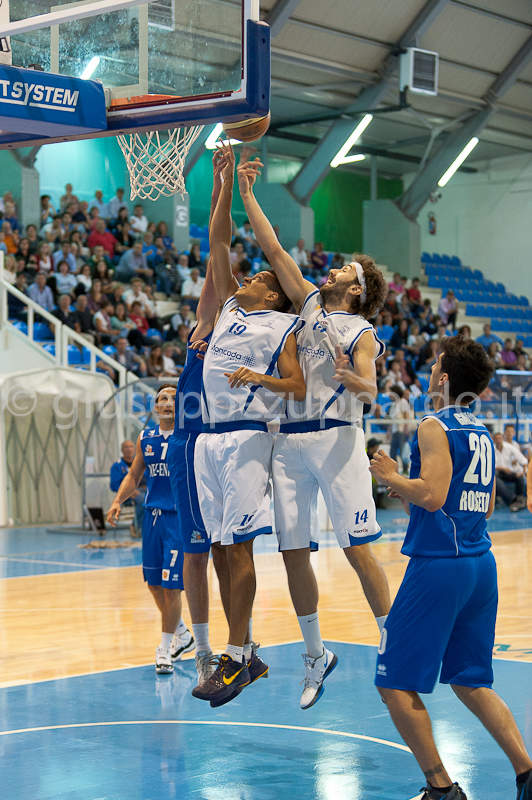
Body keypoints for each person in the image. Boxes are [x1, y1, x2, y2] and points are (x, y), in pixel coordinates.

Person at [237, 151, 391, 709]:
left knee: (357, 549)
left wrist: (358, 380)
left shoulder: (363, 328)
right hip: (290, 442)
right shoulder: (305, 305)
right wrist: (247, 194)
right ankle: (314, 654)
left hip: (338, 440)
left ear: (357, 288)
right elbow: (273, 249)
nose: (333, 269)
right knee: (293, 551)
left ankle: (389, 636)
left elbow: (372, 388)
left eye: (345, 270)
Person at [369, 335, 532, 800]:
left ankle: (441, 789)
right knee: (470, 681)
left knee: (393, 683)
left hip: (441, 567)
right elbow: (472, 499)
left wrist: (391, 476)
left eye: (434, 366)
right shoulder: (480, 430)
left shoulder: (433, 424)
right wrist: (410, 491)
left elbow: (436, 495)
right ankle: (527, 772)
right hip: (481, 565)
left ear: (442, 378)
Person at [192, 144, 305, 708]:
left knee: (238, 549)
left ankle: (238, 654)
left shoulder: (281, 326)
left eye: (262, 274)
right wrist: (221, 184)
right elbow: (217, 242)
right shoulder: (233, 305)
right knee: (218, 547)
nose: (254, 274)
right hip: (208, 437)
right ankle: (244, 652)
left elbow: (299, 388)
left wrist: (256, 381)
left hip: (246, 435)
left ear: (276, 295)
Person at [107, 386, 194, 674]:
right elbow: (134, 475)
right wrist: (118, 500)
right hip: (152, 520)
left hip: (178, 521)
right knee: (154, 584)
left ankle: (164, 649)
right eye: (161, 399)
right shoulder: (146, 438)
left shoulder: (189, 435)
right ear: (155, 408)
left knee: (172, 587)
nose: (166, 403)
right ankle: (182, 635)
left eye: (172, 398)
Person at [109, 440, 146, 533]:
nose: (129, 449)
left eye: (131, 447)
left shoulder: (141, 463)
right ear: (122, 450)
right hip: (129, 494)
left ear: (135, 449)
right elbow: (114, 485)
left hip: (145, 490)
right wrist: (129, 492)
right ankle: (137, 526)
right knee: (143, 499)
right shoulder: (117, 466)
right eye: (126, 447)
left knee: (155, 497)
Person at [494, 431, 527, 511]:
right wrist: (503, 469)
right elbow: (491, 466)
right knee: (495, 479)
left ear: (503, 439)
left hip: (509, 472)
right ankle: (513, 500)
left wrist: (523, 472)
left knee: (520, 478)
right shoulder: (491, 448)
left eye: (500, 438)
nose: (498, 440)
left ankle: (520, 499)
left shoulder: (510, 447)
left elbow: (523, 460)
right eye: (496, 439)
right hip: (497, 472)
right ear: (493, 440)